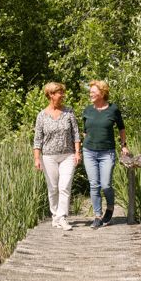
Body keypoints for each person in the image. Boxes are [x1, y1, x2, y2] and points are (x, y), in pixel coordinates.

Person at [33, 82, 81, 231]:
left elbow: (76, 134)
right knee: (53, 188)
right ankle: (55, 215)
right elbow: (37, 139)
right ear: (51, 95)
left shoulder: (69, 112)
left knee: (64, 187)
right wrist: (37, 158)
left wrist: (77, 152)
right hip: (49, 157)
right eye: (59, 92)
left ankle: (62, 217)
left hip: (68, 155)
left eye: (62, 92)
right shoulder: (42, 115)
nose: (62, 95)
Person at [82, 80, 130, 229]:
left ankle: (109, 208)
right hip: (89, 151)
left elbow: (121, 128)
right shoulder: (87, 110)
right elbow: (85, 131)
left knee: (106, 184)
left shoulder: (113, 109)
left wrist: (123, 146)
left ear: (102, 93)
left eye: (93, 92)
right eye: (90, 91)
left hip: (107, 152)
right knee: (94, 184)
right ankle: (97, 215)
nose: (90, 94)